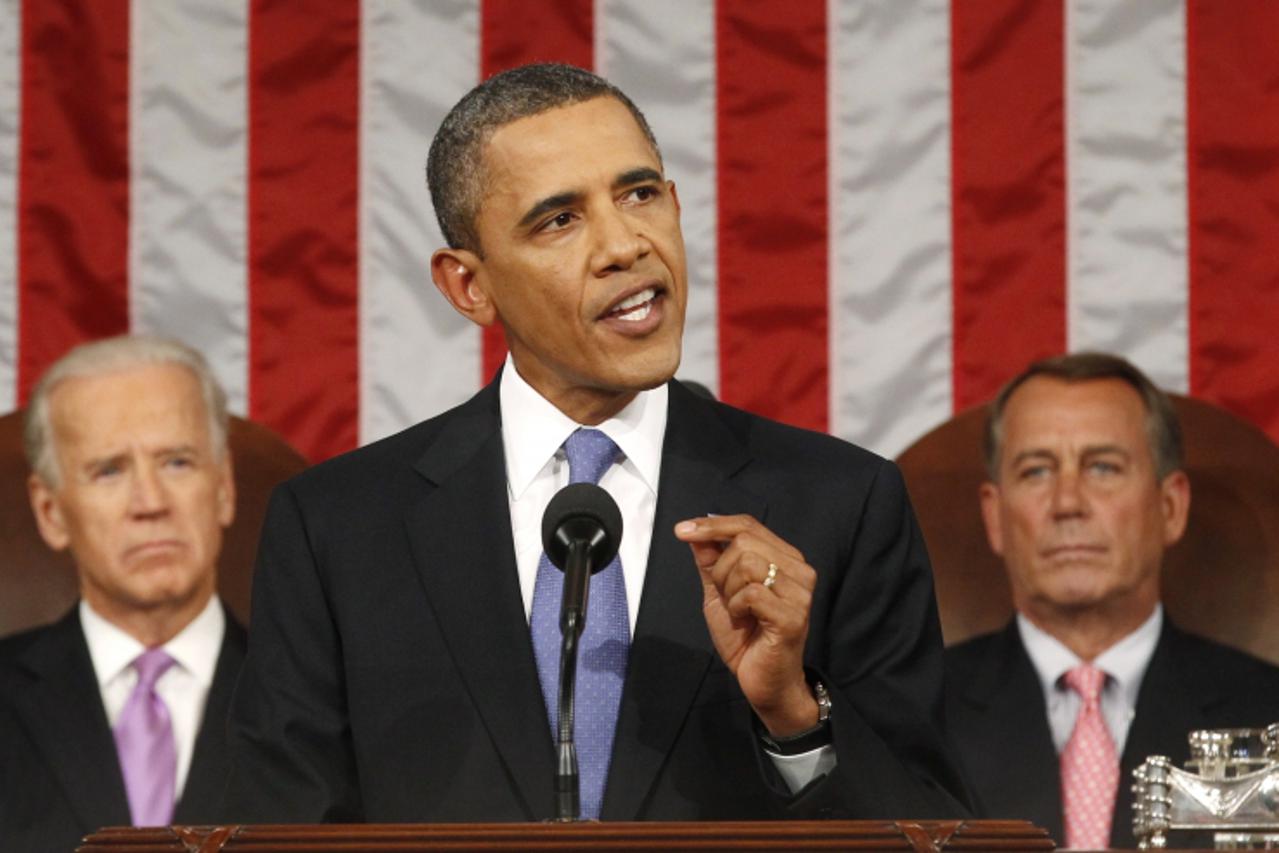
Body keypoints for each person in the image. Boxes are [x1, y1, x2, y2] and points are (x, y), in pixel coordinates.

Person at [222, 62, 968, 823]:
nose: (624, 245)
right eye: (559, 219)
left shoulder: (841, 503)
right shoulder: (336, 528)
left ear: (675, 206)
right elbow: (284, 826)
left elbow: (931, 826)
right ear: (467, 286)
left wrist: (793, 718)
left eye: (639, 194)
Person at [945, 352, 1279, 848]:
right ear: (994, 517)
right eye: (1037, 471)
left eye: (1102, 467)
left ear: (1171, 507)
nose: (1067, 503)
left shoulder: (1269, 707)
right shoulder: (916, 717)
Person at [0, 335, 246, 852]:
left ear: (223, 487)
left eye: (177, 462)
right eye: (109, 470)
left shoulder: (321, 701)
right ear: (51, 512)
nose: (150, 502)